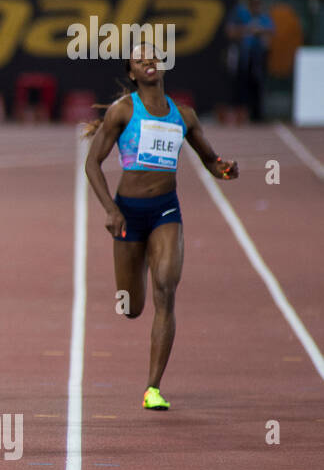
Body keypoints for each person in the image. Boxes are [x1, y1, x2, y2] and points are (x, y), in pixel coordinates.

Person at [84, 44, 239, 410]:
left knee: (166, 289)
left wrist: (225, 169)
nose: (148, 62)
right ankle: (134, 267)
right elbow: (92, 163)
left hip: (165, 211)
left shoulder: (184, 116)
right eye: (140, 60)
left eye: (153, 57)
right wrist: (109, 210)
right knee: (132, 308)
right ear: (133, 73)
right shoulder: (123, 112)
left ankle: (153, 388)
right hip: (127, 213)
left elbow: (210, 161)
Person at [225, 0, 274, 122]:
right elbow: (230, 31)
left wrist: (259, 31)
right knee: (240, 86)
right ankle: (239, 114)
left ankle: (257, 115)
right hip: (242, 57)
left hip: (258, 58)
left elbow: (271, 32)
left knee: (258, 85)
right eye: (254, 4)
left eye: (258, 4)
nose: (256, 7)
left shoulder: (263, 18)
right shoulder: (241, 14)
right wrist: (247, 30)